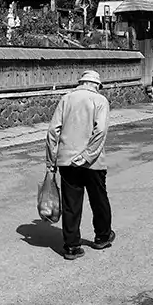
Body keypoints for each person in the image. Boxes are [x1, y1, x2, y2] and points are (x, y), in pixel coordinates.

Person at [45, 69, 115, 260]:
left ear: (81, 83)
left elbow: (53, 131)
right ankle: (102, 236)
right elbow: (100, 131)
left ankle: (71, 246)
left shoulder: (66, 99)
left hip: (67, 161)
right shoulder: (100, 101)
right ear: (96, 85)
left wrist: (51, 161)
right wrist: (87, 156)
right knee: (99, 200)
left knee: (71, 204)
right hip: (93, 163)